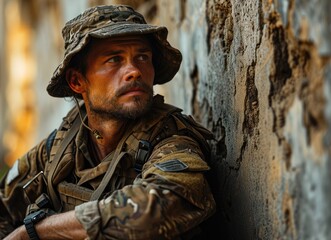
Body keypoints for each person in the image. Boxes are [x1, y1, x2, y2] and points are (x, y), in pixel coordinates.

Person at [0, 4, 216, 240]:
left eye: (142, 57)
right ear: (76, 81)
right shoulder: (60, 146)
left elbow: (152, 210)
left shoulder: (172, 139)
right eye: (114, 59)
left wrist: (35, 231)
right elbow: (5, 202)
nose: (134, 71)